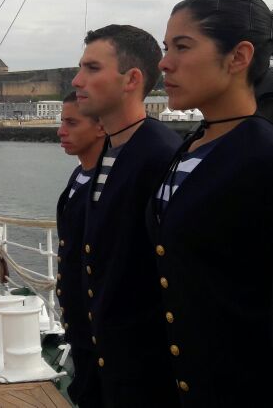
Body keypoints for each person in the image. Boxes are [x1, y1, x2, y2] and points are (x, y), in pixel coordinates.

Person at [146, 0, 273, 404]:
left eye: (182, 46)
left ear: (238, 57)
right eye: (166, 48)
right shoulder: (193, 145)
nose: (164, 62)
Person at [69, 24, 182, 405]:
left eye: (92, 68)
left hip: (146, 377)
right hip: (106, 367)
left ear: (132, 79)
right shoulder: (113, 149)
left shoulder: (160, 154)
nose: (77, 79)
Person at [54, 91, 105, 408]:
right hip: (78, 326)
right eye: (61, 121)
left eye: (72, 122)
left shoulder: (107, 182)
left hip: (98, 327)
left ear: (101, 127)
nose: (61, 130)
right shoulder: (79, 175)